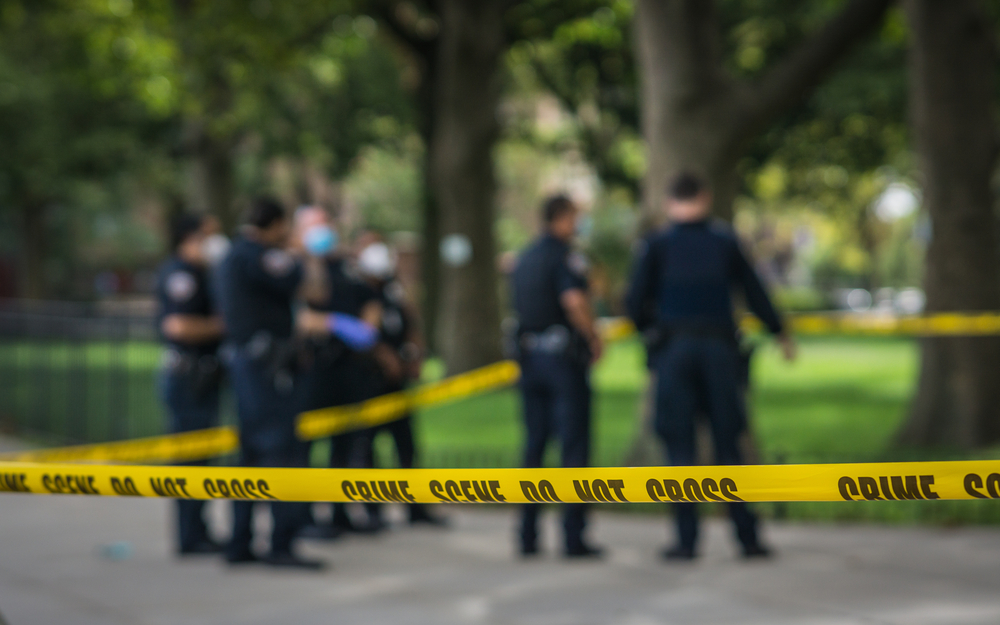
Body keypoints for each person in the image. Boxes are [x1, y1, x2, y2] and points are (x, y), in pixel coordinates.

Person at [625, 172, 796, 561]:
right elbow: (754, 290)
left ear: (671, 202)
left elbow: (634, 302)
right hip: (719, 352)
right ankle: (747, 536)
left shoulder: (656, 245)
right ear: (705, 198)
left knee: (679, 448)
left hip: (674, 351)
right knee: (728, 445)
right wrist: (779, 332)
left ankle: (686, 541)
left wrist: (651, 334)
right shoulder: (724, 241)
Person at [214, 197, 326, 569]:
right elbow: (314, 290)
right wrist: (306, 253)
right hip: (268, 369)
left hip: (248, 364)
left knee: (248, 456)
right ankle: (282, 543)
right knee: (283, 455)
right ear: (275, 225)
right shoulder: (261, 255)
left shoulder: (233, 255)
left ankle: (240, 542)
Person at [510, 195, 604, 559]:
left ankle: (527, 534)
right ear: (562, 218)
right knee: (573, 447)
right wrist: (593, 336)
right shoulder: (566, 256)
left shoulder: (526, 256)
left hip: (530, 359)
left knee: (534, 447)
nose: (578, 224)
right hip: (563, 361)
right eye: (575, 218)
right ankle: (573, 535)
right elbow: (574, 301)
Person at [293, 207, 383, 537]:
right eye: (313, 228)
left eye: (324, 226)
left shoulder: (348, 268)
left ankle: (340, 512)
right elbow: (302, 314)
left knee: (346, 445)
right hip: (312, 368)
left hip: (349, 369)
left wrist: (364, 327)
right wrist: (335, 323)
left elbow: (372, 303)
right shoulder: (294, 268)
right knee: (303, 446)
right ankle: (301, 517)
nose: (321, 234)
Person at [354, 237, 447, 528]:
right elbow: (366, 334)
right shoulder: (360, 293)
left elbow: (411, 326)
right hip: (370, 383)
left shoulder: (394, 294)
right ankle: (373, 510)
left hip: (397, 385)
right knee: (367, 449)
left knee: (406, 446)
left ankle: (414, 506)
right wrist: (385, 358)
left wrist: (414, 355)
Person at [155, 213, 226, 556]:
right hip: (186, 377)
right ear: (189, 237)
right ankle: (189, 536)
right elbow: (178, 326)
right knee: (188, 459)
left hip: (204, 376)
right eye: (208, 235)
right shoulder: (179, 274)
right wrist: (222, 325)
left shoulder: (203, 273)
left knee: (202, 458)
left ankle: (199, 529)